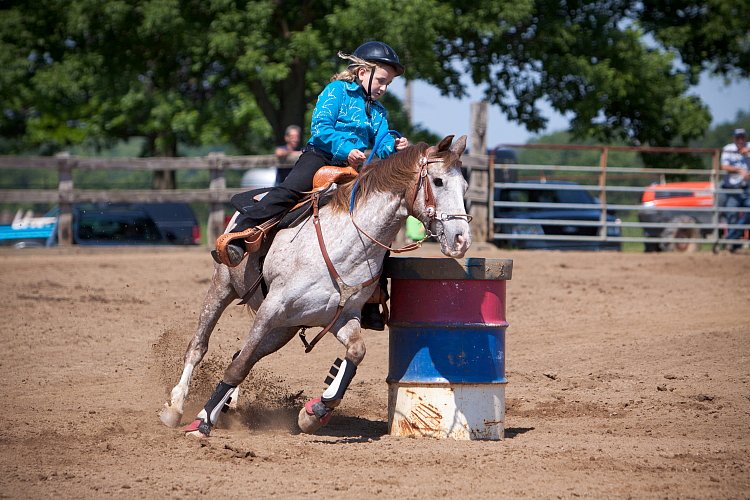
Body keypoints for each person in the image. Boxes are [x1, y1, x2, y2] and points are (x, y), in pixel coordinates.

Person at [213, 41, 409, 327]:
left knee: (377, 225)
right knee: (290, 191)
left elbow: (381, 145)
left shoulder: (378, 112)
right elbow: (321, 128)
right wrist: (346, 149)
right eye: (381, 80)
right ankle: (240, 239)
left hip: (352, 171)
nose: (384, 88)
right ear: (362, 72)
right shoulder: (336, 92)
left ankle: (371, 297)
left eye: (388, 83)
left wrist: (395, 144)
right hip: (320, 156)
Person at [720, 128, 750, 252]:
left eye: (742, 137)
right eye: (738, 137)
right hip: (732, 189)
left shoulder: (749, 147)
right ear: (734, 138)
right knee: (731, 215)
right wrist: (740, 170)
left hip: (747, 189)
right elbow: (724, 166)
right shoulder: (728, 149)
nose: (740, 140)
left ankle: (731, 239)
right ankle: (733, 244)